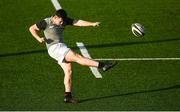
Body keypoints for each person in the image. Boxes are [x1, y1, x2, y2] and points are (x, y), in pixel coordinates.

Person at [29, 9, 117, 104]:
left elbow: (77, 22)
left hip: (59, 48)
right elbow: (32, 28)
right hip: (55, 48)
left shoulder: (64, 21)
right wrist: (38, 38)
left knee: (69, 71)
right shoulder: (45, 22)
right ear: (55, 17)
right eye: (60, 21)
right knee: (77, 57)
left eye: (63, 21)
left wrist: (92, 24)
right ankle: (102, 65)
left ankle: (67, 96)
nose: (62, 23)